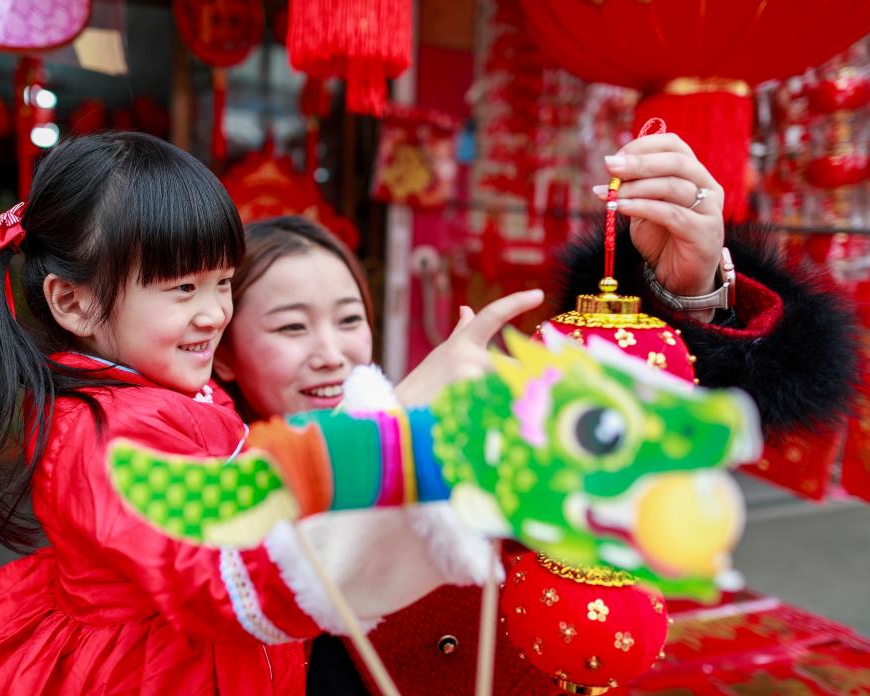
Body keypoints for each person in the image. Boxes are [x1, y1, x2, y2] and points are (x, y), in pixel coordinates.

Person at [213, 131, 859, 695]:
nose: (331, 353)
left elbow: (628, 433)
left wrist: (685, 294)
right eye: (291, 327)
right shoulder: (205, 469)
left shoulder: (471, 430)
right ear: (223, 351)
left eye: (349, 318)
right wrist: (389, 433)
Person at [0, 131, 501, 696]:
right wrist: (399, 423)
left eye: (222, 283)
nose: (216, 313)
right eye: (182, 289)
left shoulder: (158, 392)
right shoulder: (105, 435)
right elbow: (221, 569)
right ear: (74, 303)